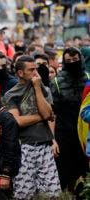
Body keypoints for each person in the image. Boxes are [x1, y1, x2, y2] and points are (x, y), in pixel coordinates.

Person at [4, 55, 61, 199]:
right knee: (24, 194)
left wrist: (37, 88)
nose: (36, 73)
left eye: (36, 69)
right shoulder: (11, 95)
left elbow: (49, 113)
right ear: (20, 73)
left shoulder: (43, 88)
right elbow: (18, 121)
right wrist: (42, 116)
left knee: (53, 193)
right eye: (31, 70)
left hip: (44, 145)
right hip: (23, 147)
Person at [50, 47, 89, 192]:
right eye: (68, 61)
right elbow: (52, 113)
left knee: (84, 170)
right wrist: (52, 138)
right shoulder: (57, 82)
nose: (72, 62)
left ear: (80, 60)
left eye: (75, 60)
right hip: (64, 133)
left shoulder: (88, 78)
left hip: (85, 132)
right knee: (64, 171)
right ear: (64, 62)